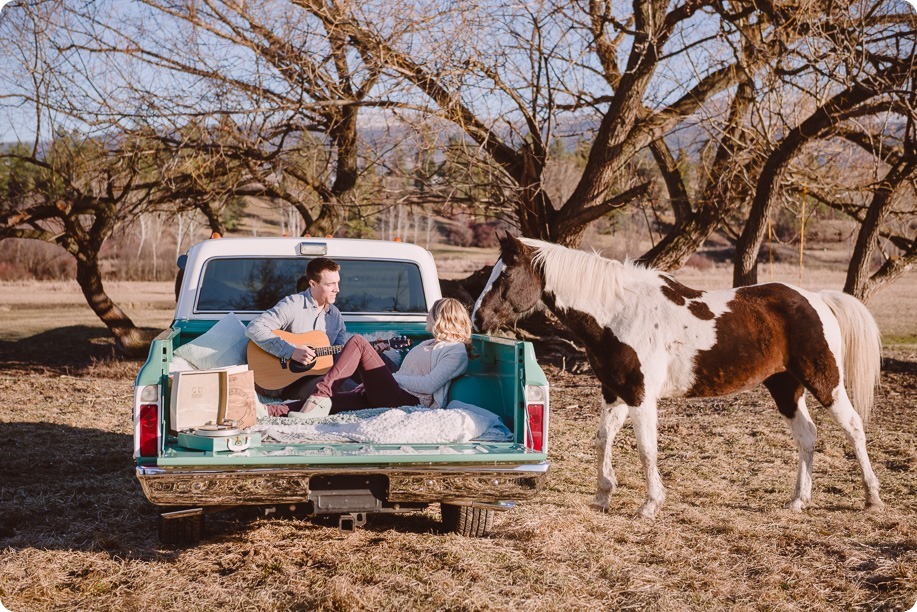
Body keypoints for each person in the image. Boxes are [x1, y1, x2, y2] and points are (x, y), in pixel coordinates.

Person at [290, 297, 472, 419]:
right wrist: (373, 382)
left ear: (441, 318)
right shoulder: (429, 343)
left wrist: (390, 378)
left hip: (410, 401)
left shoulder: (456, 351)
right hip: (397, 392)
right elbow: (406, 373)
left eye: (430, 313)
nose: (426, 316)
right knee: (338, 402)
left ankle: (321, 394)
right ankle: (273, 410)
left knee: (359, 342)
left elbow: (429, 385)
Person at [246, 257, 347, 400]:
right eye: (330, 284)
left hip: (318, 376)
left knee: (353, 381)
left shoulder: (336, 316)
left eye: (337, 283)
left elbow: (340, 352)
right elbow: (254, 328)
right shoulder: (293, 304)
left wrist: (365, 351)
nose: (337, 289)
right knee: (332, 388)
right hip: (285, 382)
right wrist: (291, 351)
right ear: (313, 284)